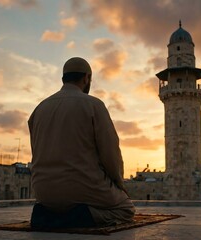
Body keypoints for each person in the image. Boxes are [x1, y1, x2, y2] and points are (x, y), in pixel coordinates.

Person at [28, 57, 135, 229]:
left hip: (43, 194)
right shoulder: (94, 105)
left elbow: (36, 151)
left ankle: (47, 215)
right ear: (86, 78)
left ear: (63, 78)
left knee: (55, 203)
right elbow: (111, 154)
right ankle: (81, 217)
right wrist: (119, 185)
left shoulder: (39, 109)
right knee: (126, 209)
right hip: (84, 190)